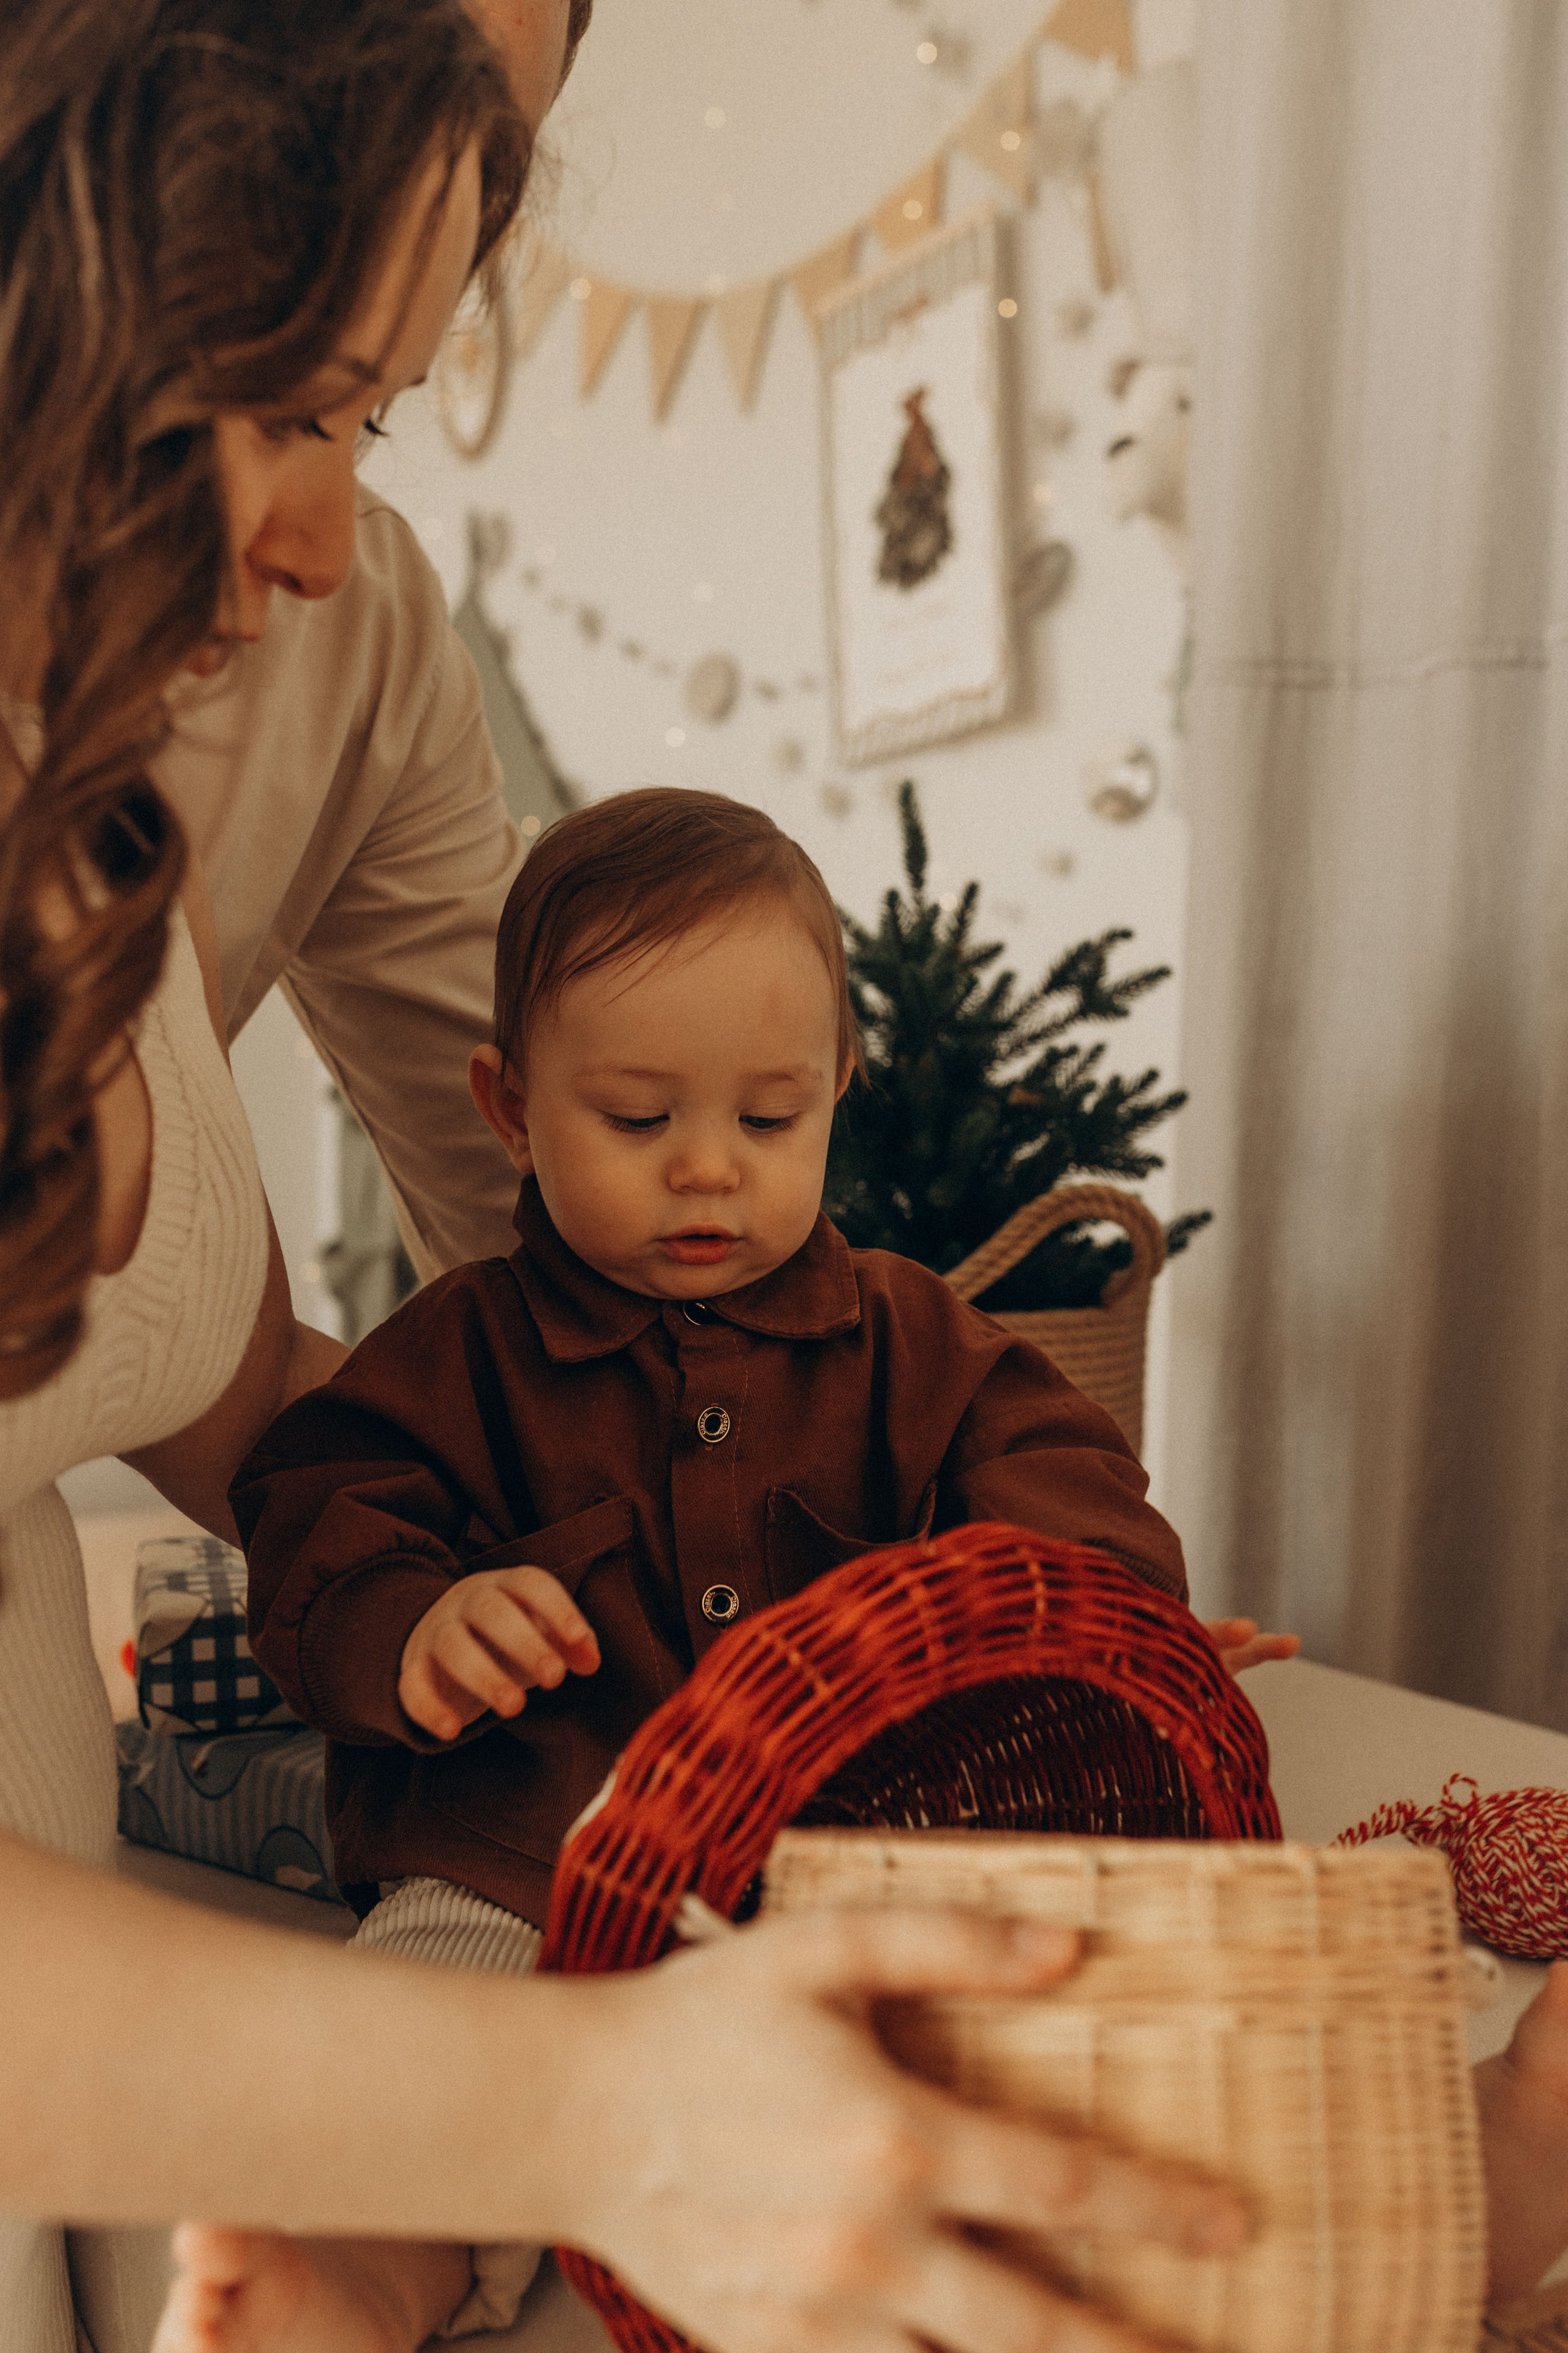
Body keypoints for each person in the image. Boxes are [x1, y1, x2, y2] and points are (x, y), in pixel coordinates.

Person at [0, 7, 1263, 2353]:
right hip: (280, 1949)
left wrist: (1097, 1628)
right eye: (290, 398)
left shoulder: (101, 825)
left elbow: (263, 1395)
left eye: (367, 419)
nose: (325, 529)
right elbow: (359, 1473)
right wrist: (394, 1637)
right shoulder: (475, 1336)